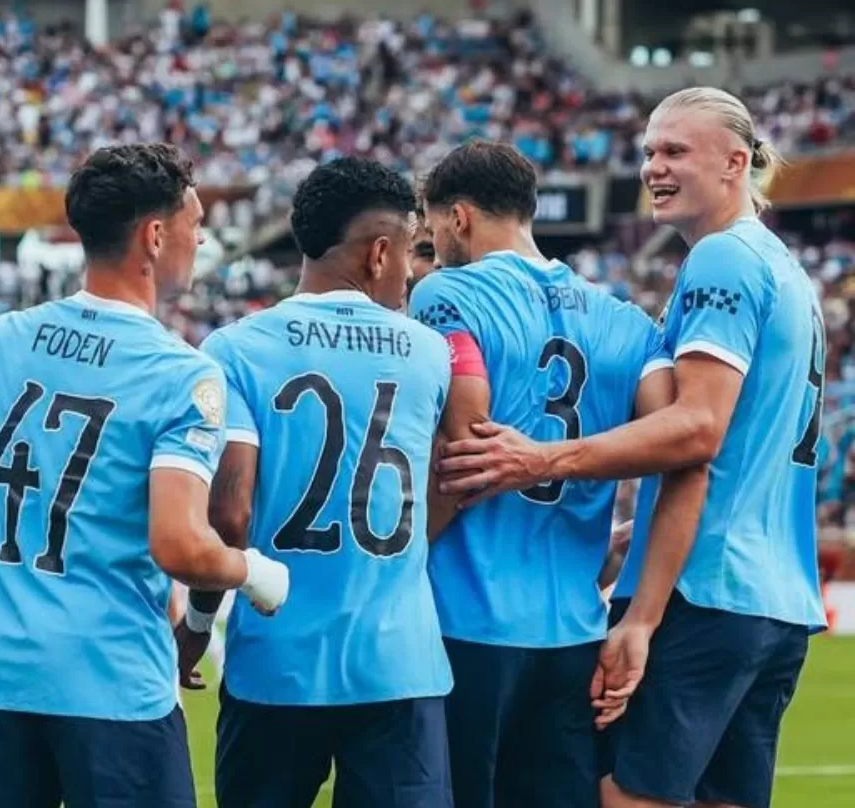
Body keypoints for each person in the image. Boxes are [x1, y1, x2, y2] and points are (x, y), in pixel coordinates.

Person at [0, 143, 290, 808]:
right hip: (111, 681)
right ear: (155, 237)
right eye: (195, 225)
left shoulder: (1, 340)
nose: (202, 239)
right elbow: (181, 546)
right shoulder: (181, 373)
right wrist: (256, 572)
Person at [436, 88, 825, 808]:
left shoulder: (722, 259)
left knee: (626, 797)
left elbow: (696, 432)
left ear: (735, 162)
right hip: (777, 599)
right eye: (649, 152)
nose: (654, 167)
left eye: (675, 151)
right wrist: (634, 528)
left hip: (704, 585)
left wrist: (542, 459)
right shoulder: (784, 269)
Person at [409, 140, 696, 808]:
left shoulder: (445, 293)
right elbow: (678, 444)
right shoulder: (628, 322)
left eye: (432, 228)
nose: (434, 245)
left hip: (464, 621)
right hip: (573, 630)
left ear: (458, 217)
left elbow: (463, 451)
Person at [178, 157, 455, 808]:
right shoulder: (428, 351)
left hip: (276, 661)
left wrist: (196, 624)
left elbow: (229, 516)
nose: (410, 270)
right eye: (410, 250)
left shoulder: (235, 347)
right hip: (397, 661)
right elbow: (452, 478)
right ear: (379, 252)